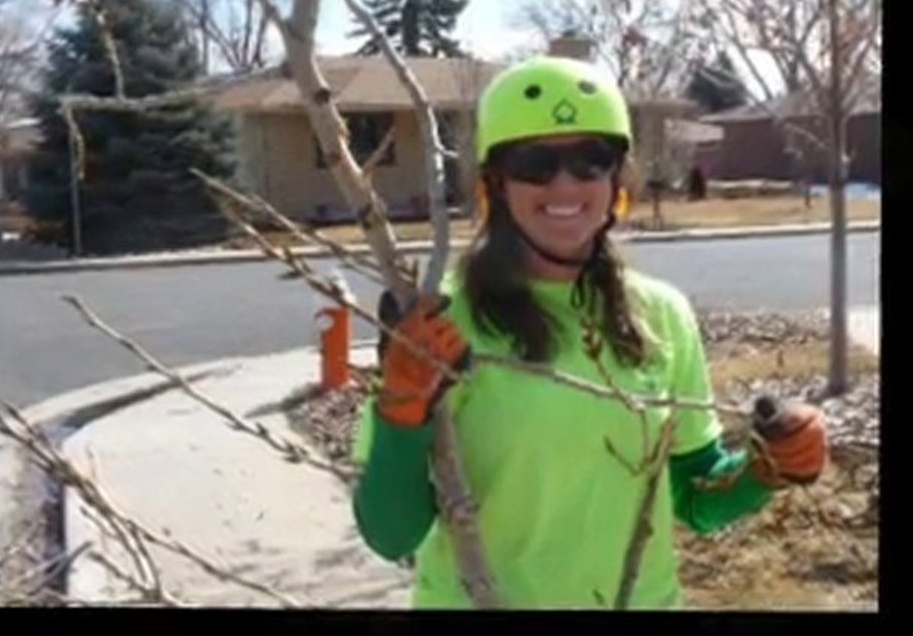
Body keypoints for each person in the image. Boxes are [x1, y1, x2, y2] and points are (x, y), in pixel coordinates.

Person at [350, 56, 828, 609]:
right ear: (496, 184)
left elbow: (695, 500)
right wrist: (401, 411)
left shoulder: (661, 315)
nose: (565, 183)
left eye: (590, 160)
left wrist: (767, 470)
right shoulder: (440, 325)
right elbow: (391, 536)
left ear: (616, 178)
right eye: (535, 162)